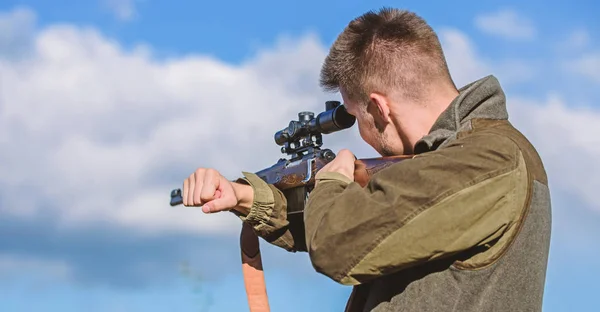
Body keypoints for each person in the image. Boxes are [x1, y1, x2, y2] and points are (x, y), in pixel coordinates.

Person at [181, 7, 551, 312]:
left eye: (357, 118)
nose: (361, 135)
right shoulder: (455, 158)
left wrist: (330, 182)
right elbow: (376, 223)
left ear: (378, 108)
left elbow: (340, 244)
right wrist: (247, 198)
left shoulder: (489, 157)